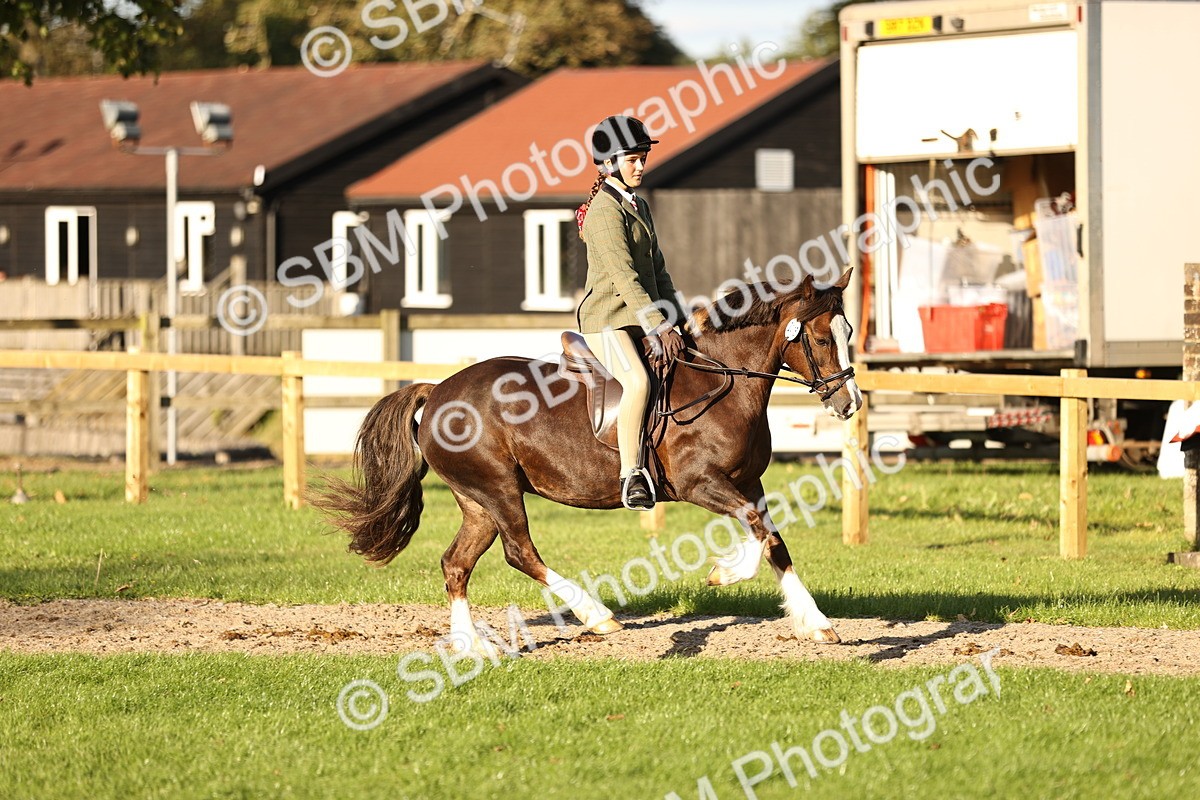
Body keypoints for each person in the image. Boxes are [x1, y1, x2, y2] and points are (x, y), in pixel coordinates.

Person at [575, 115, 687, 510]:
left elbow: (658, 270)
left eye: (643, 158)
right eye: (633, 160)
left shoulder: (638, 204)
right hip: (607, 320)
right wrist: (657, 325)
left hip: (638, 318)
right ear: (609, 164)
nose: (640, 166)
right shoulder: (605, 211)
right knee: (638, 382)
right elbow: (624, 276)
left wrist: (679, 318)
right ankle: (632, 476)